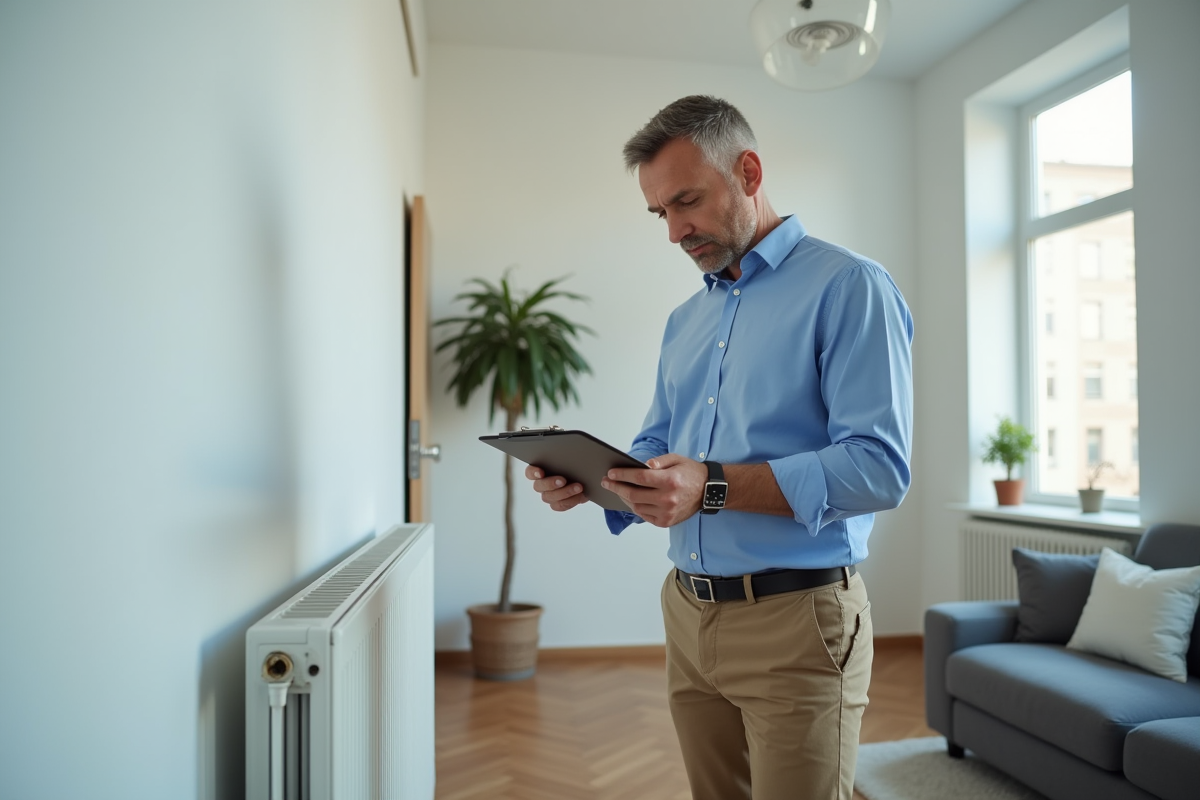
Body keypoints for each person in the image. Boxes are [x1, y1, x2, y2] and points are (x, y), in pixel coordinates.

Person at [524, 95, 913, 800]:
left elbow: (879, 470)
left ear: (750, 172)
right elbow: (658, 446)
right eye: (661, 214)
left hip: (800, 625)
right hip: (687, 613)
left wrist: (711, 484)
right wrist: (596, 479)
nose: (675, 230)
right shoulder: (686, 320)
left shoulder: (850, 287)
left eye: (687, 201)